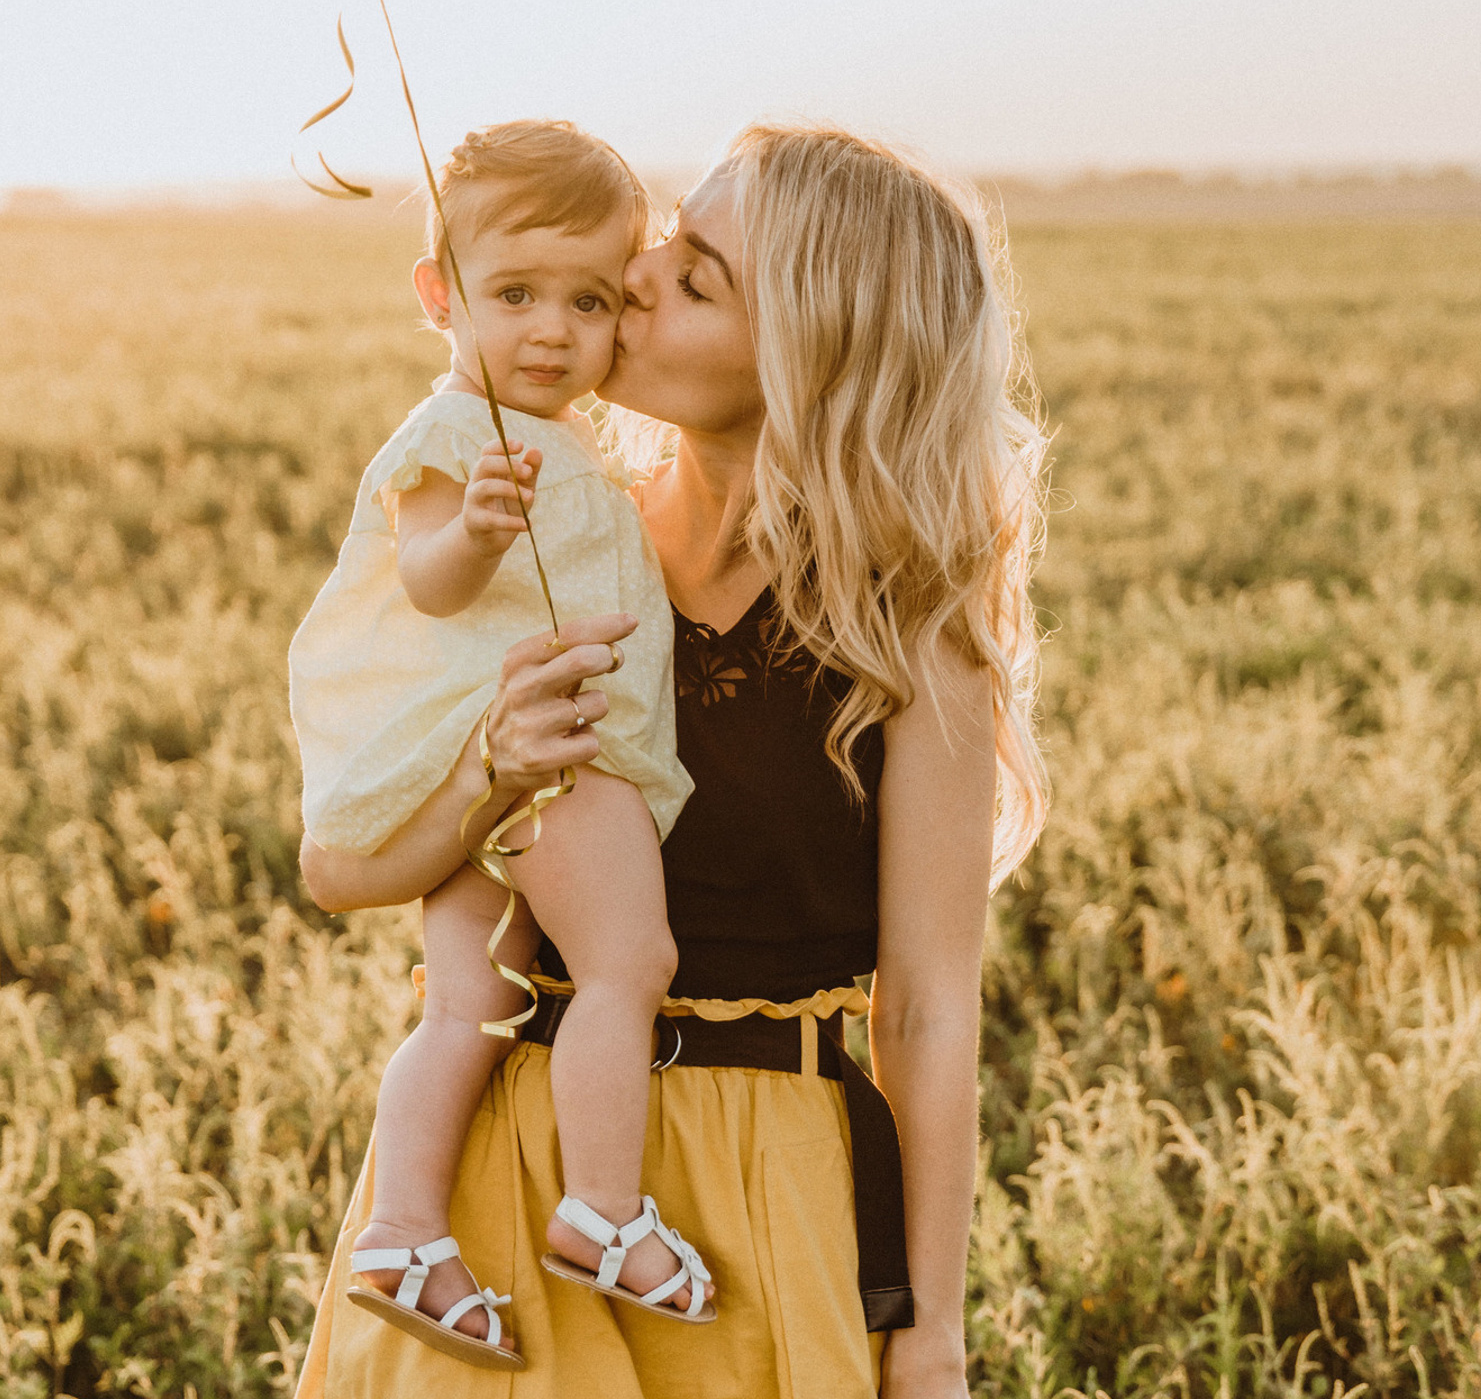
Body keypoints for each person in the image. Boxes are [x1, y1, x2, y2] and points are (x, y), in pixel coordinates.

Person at [297, 121, 1051, 1399]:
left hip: (767, 1198)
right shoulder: (542, 547)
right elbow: (343, 869)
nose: (633, 277)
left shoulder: (911, 625)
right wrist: (489, 768)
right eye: (662, 243)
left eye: (695, 274)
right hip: (508, 1181)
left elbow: (924, 1009)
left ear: (811, 355)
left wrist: (930, 1336)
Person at [289, 120, 714, 1370]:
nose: (552, 331)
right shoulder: (452, 439)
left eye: (590, 300)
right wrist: (474, 532)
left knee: (468, 994)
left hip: (505, 766)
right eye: (515, 294)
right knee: (630, 961)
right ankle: (602, 1207)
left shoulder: (569, 445)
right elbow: (423, 582)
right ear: (440, 297)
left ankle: (404, 1230)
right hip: (559, 756)